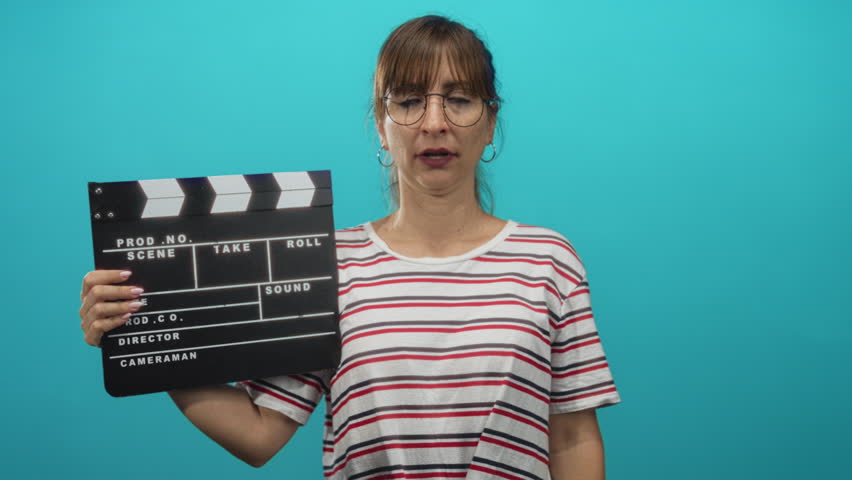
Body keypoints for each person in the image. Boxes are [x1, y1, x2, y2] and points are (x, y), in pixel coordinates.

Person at [79, 15, 621, 480]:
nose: (435, 122)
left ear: (490, 122)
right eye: (408, 101)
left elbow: (572, 434)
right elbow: (259, 432)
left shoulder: (549, 260)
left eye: (459, 99)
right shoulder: (327, 263)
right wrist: (149, 337)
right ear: (381, 127)